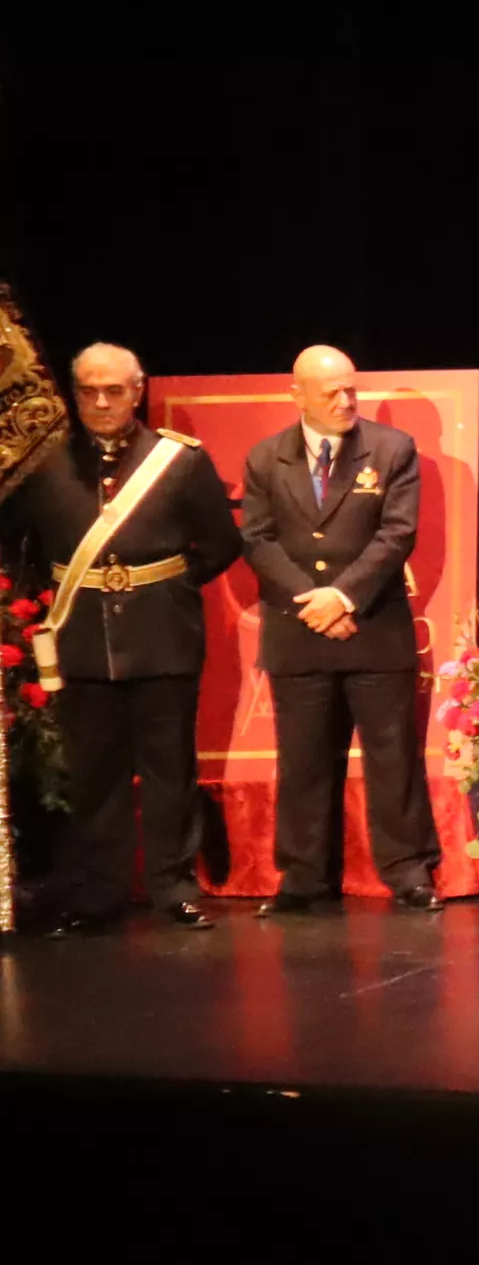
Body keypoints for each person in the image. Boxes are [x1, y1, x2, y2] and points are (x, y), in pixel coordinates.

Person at [4, 344, 239, 932]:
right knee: (94, 776)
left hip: (164, 638)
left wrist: (161, 591)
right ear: (75, 392)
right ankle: (98, 895)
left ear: (138, 391)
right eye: (89, 390)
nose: (102, 402)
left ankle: (173, 887)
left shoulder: (178, 461)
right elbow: (25, 552)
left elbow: (219, 545)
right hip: (81, 641)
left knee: (169, 772)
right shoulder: (46, 467)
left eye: (114, 390)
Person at [235, 349, 437, 913]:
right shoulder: (265, 457)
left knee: (392, 755)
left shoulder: (392, 449)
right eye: (331, 393)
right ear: (296, 394)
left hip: (372, 626)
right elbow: (256, 538)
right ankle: (303, 876)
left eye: (351, 390)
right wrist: (313, 601)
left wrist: (343, 596)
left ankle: (408, 869)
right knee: (302, 758)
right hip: (300, 630)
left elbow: (397, 534)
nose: (345, 401)